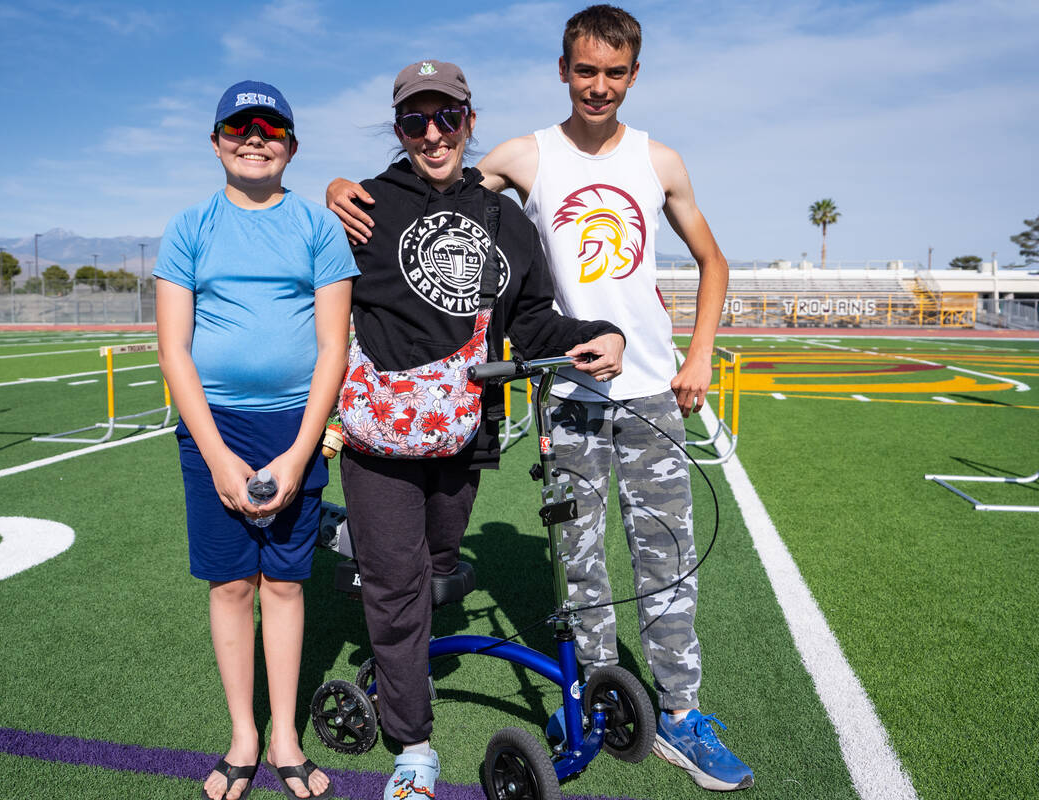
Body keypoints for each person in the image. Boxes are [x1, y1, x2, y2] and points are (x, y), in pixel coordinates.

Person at [327, 6, 753, 793]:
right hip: (568, 396)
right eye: (585, 70)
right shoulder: (523, 157)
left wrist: (696, 354)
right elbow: (440, 203)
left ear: (633, 75)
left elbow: (709, 259)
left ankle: (682, 714)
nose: (599, 85)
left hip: (649, 387)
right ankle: (590, 697)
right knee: (578, 566)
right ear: (563, 70)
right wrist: (338, 188)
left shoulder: (659, 159)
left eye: (614, 72)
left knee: (666, 558)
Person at [338, 60, 625, 800]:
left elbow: (531, 320)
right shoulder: (364, 204)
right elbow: (311, 287)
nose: (433, 134)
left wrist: (597, 332)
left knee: (437, 560)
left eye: (448, 117)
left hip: (469, 425)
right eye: (415, 120)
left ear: (470, 120)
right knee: (397, 584)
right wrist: (327, 194)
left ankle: (364, 551)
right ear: (399, 128)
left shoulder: (505, 219)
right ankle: (414, 747)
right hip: (379, 432)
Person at [155, 80, 358, 800]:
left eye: (270, 129)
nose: (254, 139)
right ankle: (244, 733)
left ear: (291, 147)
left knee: (286, 584)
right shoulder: (188, 228)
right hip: (215, 427)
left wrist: (300, 454)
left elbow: (334, 347)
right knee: (234, 583)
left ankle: (285, 736)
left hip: (294, 425)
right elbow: (175, 350)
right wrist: (216, 456)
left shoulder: (317, 227)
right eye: (239, 127)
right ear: (215, 143)